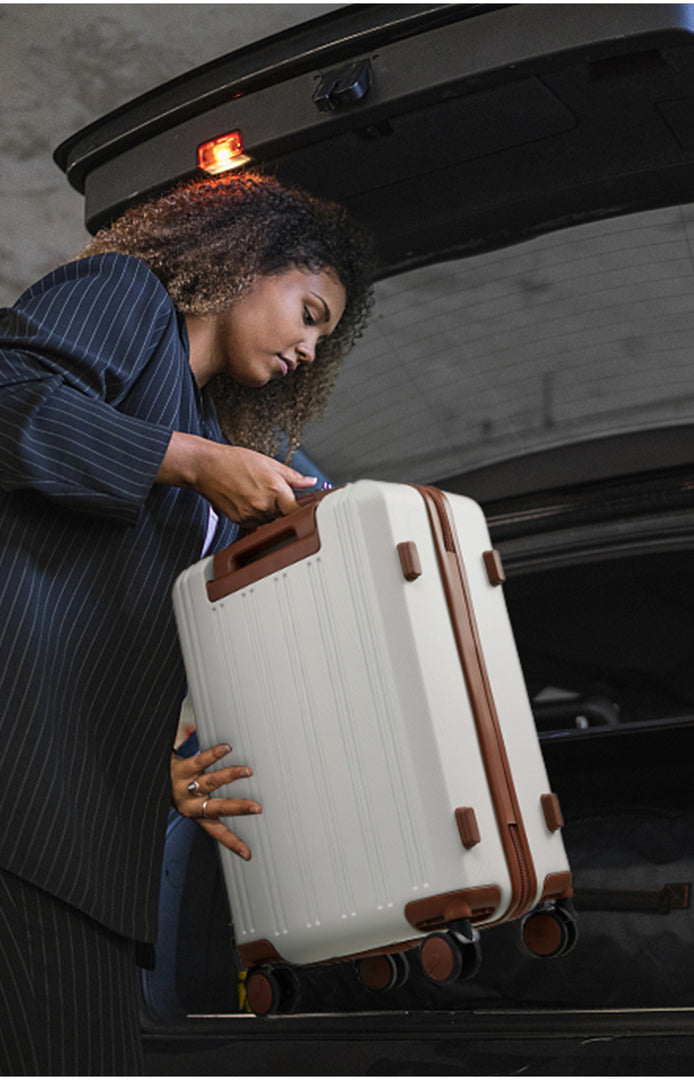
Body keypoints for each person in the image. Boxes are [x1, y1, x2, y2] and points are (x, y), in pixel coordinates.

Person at [0, 171, 374, 1074]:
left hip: (82, 823)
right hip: (26, 802)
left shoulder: (201, 421)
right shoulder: (126, 295)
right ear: (251, 260)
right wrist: (190, 460)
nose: (310, 349)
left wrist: (158, 762)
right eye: (310, 313)